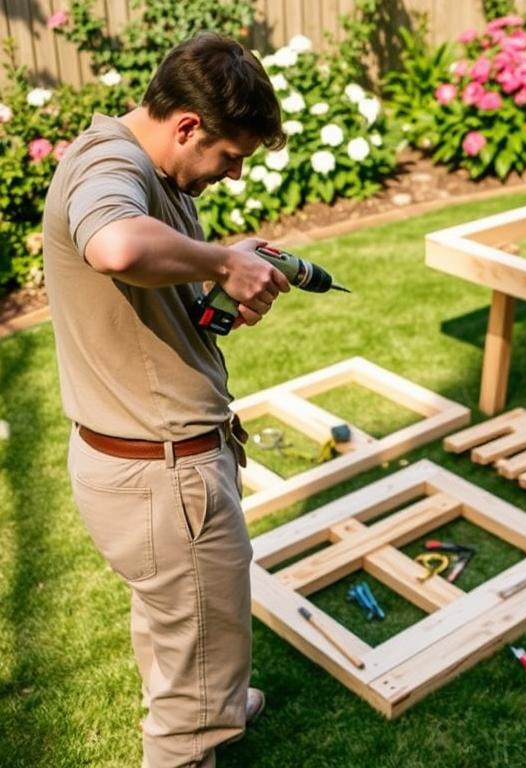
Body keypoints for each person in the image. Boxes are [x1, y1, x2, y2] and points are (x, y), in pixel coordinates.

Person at [42, 32, 290, 767]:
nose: (233, 174)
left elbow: (144, 284)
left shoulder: (149, 167)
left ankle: (198, 683)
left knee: (174, 617)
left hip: (138, 468)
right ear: (187, 125)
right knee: (193, 690)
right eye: (231, 157)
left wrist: (217, 279)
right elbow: (116, 247)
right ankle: (193, 718)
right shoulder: (112, 166)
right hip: (163, 476)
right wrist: (222, 260)